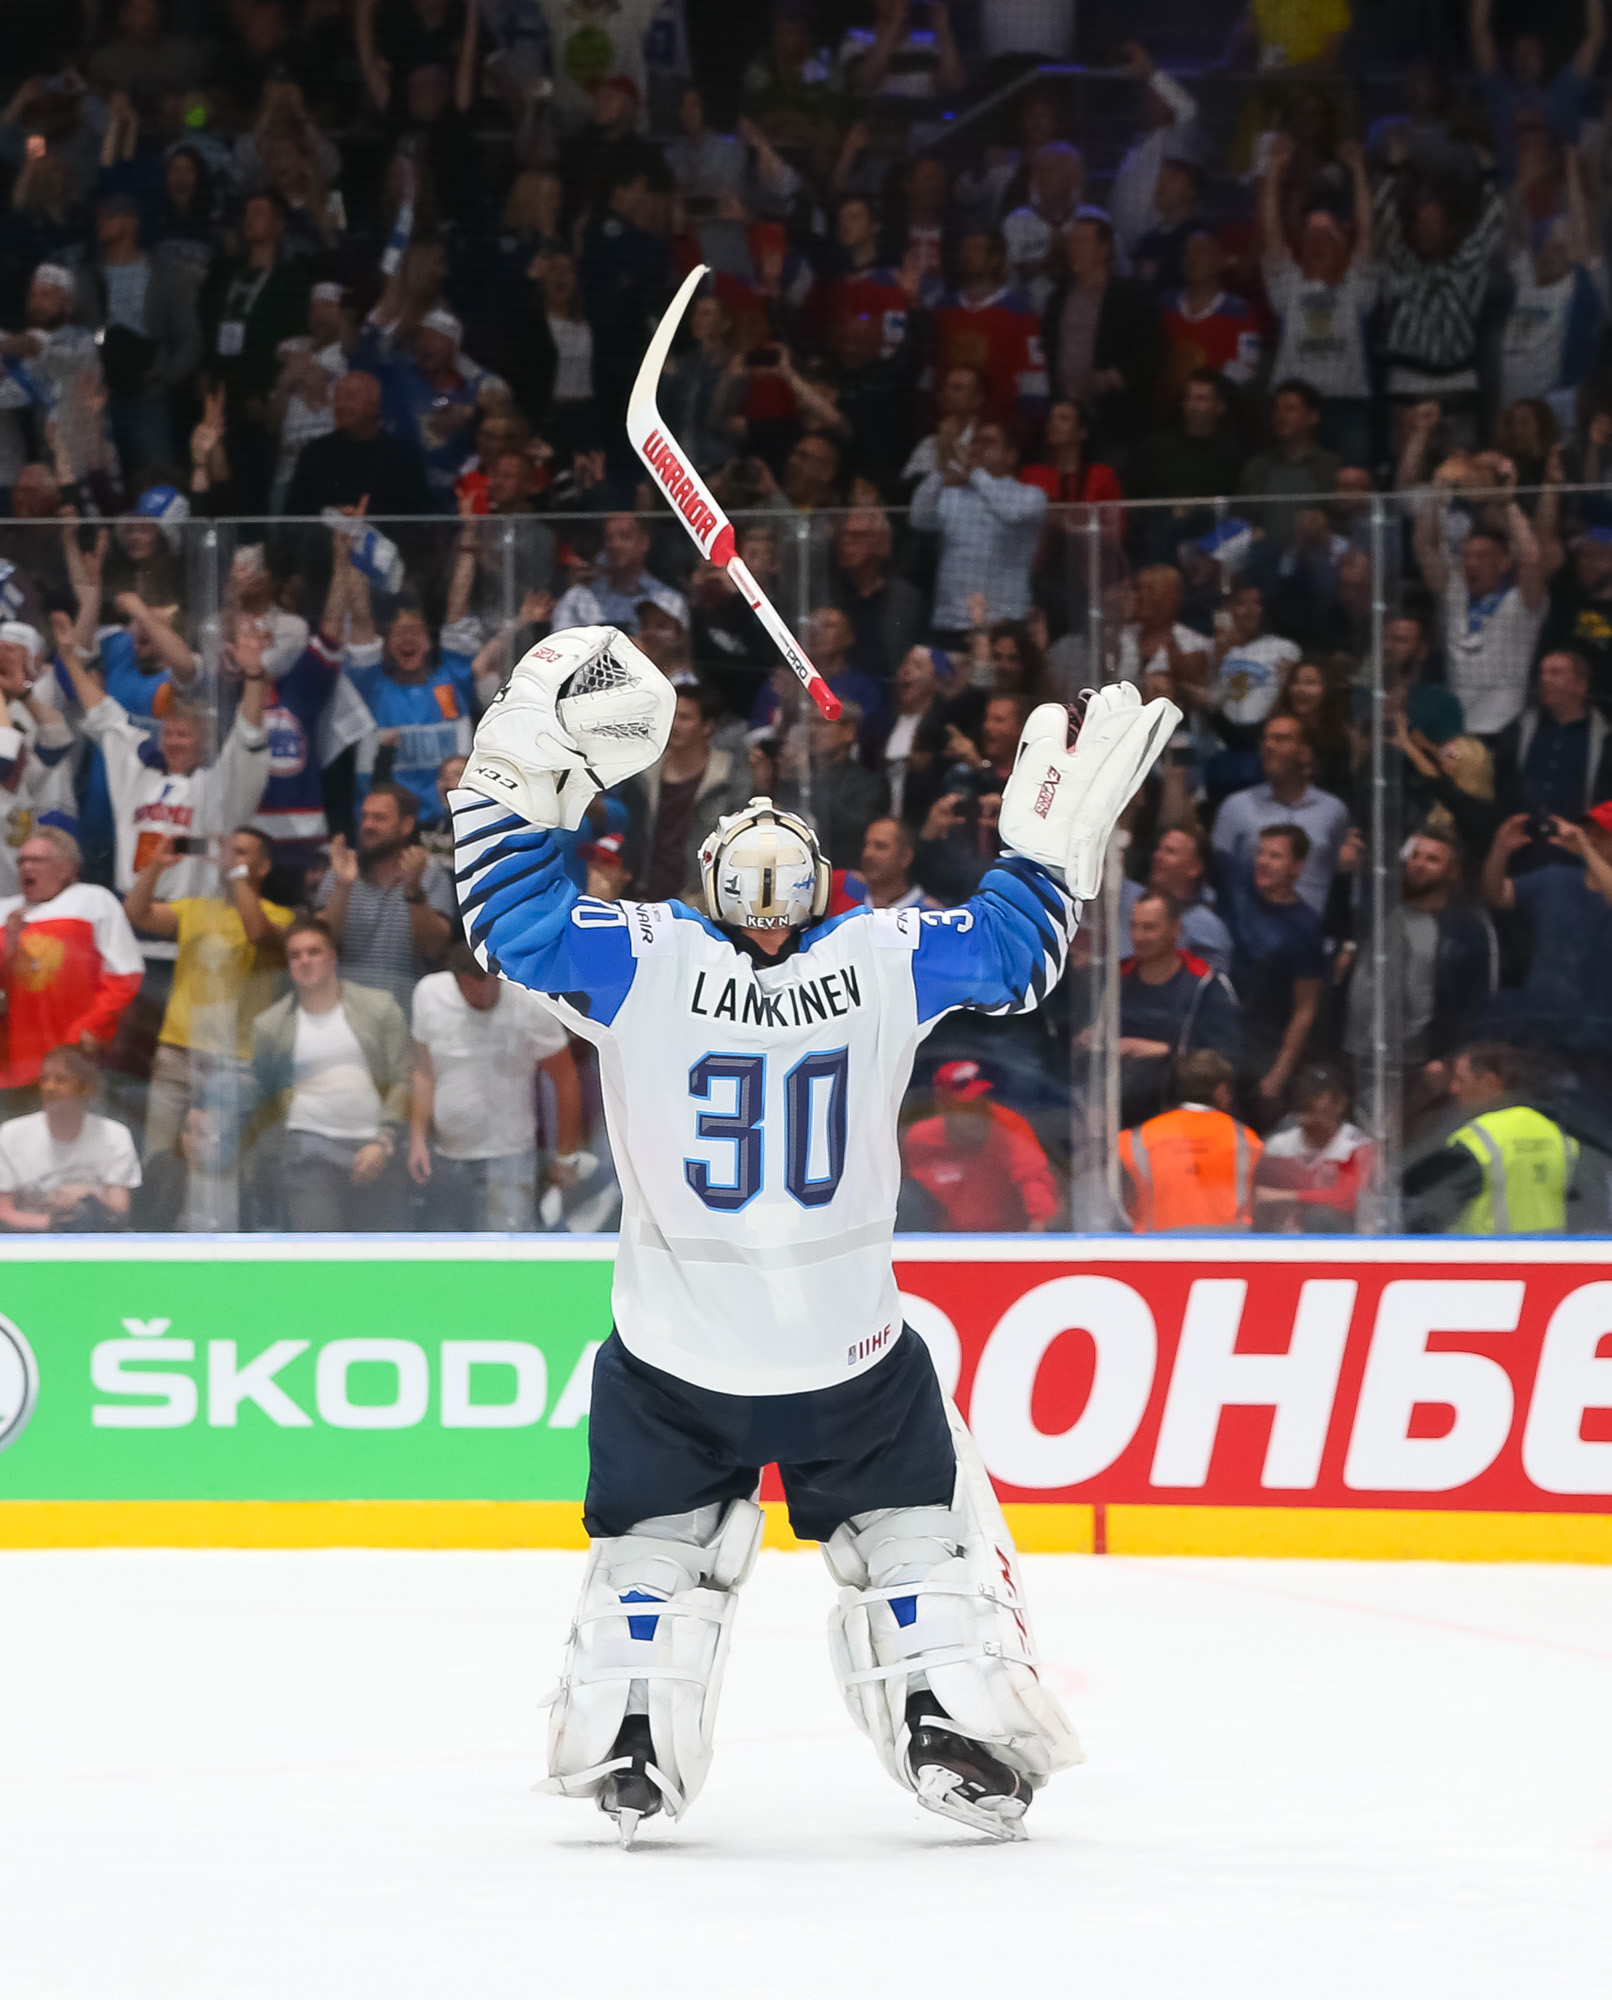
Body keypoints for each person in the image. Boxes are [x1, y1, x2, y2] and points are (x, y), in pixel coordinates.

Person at [452, 623, 1175, 1841]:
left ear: (709, 890)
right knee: (912, 1534)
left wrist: (525, 777)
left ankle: (629, 1725)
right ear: (825, 890)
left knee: (656, 1546)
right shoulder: (883, 956)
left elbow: (503, 924)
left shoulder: (644, 958)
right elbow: (1016, 956)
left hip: (677, 1352)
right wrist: (1045, 860)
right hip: (845, 1355)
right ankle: (948, 1702)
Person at [123, 827, 294, 1159]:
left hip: (235, 1058)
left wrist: (236, 876)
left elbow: (257, 933)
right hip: (178, 1051)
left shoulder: (279, 916)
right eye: (228, 852)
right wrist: (156, 867)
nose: (229, 858)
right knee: (159, 1154)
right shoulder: (194, 908)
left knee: (224, 1161)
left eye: (242, 853)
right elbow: (135, 913)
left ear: (263, 867)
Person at [247, 915, 411, 1232]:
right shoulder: (269, 1026)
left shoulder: (380, 1008)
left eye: (313, 951)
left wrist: (384, 1141)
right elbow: (264, 1096)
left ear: (333, 957)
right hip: (308, 1153)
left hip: (376, 1146)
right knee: (318, 1259)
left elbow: (403, 1077)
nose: (304, 961)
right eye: (295, 955)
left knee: (381, 1262)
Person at [409, 940, 582, 1231]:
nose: (480, 991)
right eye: (470, 984)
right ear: (455, 979)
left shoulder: (530, 1000)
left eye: (486, 982)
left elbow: (566, 1079)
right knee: (447, 1259)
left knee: (506, 1258)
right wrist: (416, 1139)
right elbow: (423, 1072)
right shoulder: (429, 993)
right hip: (446, 1153)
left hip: (510, 1156)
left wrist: (566, 1155)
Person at [0, 830, 145, 1101]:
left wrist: (90, 1028)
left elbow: (125, 975)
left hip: (75, 1057)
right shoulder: (4, 911)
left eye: (36, 860)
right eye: (21, 861)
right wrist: (9, 943)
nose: (26, 867)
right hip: (13, 1064)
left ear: (68, 868)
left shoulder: (94, 901)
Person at [1259, 135, 1376, 466]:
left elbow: (1368, 235)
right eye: (1312, 235)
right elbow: (1271, 234)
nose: (1319, 242)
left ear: (1342, 242)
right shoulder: (1289, 287)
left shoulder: (1357, 287)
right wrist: (1274, 171)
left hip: (1347, 407)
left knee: (1350, 493)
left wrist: (1358, 171)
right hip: (1293, 406)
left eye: (1327, 235)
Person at [1411, 457, 1548, 738]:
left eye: (1482, 556)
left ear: (1503, 563)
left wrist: (1509, 503)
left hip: (1506, 730)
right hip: (1456, 732)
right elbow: (1424, 546)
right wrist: (1436, 494)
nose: (1471, 562)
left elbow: (1532, 558)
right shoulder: (1455, 596)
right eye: (1467, 556)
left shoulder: (1522, 605)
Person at [1404, 1041, 1577, 1232]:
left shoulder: (1476, 1141)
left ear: (1490, 1082)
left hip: (1487, 1258)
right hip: (1551, 1257)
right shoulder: (1554, 1133)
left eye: (1461, 1080)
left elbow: (1428, 1219)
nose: (1454, 1089)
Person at [1481, 800, 1612, 1050]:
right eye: (1588, 828)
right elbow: (1496, 895)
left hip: (1602, 1034)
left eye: (1603, 833)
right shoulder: (1554, 876)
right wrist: (1500, 850)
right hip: (1540, 1026)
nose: (1591, 836)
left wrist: (1585, 849)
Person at [318, 782, 456, 1014]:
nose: (368, 825)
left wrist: (413, 889)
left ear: (406, 825)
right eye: (365, 817)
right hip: (346, 1011)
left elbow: (434, 947)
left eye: (379, 818)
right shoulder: (339, 872)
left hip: (408, 1009)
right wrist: (343, 887)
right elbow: (322, 942)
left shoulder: (431, 876)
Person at [1219, 824, 1326, 1117]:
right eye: (1261, 853)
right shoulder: (1238, 886)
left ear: (1297, 867)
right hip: (1221, 1038)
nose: (1263, 861)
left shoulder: (1305, 926)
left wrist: (1279, 1073)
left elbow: (1306, 1006)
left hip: (1265, 1051)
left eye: (1275, 856)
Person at [1111, 891, 1241, 1127]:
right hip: (1113, 1109)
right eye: (1134, 926)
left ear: (1176, 929)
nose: (1138, 936)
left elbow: (1223, 1059)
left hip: (1179, 1115)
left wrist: (1166, 1051)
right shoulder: (1113, 979)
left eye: (1149, 928)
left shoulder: (1206, 985)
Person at [910, 423, 1047, 643]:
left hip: (1004, 623)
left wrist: (975, 473)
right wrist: (941, 470)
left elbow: (1012, 512)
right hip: (951, 622)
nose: (978, 448)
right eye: (975, 442)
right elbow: (918, 519)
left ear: (1011, 456)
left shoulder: (1031, 495)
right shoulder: (953, 496)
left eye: (988, 442)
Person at [1212, 713, 1351, 913]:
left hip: (1312, 935)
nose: (1268, 746)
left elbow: (1340, 872)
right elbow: (1217, 878)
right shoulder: (1235, 807)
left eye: (1281, 739)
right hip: (1251, 933)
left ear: (1304, 752)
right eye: (1265, 739)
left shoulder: (1334, 811)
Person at [900, 1059, 1060, 1232]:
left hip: (1007, 1239)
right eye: (967, 1108)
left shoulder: (1010, 1127)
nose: (977, 1115)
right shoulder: (919, 1139)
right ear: (944, 1109)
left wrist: (1039, 1226)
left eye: (981, 1103)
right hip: (944, 1242)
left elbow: (1035, 1178)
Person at [627, 684, 752, 904]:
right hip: (642, 896)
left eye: (684, 718)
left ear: (707, 726)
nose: (674, 725)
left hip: (700, 901)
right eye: (671, 715)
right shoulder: (641, 773)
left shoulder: (731, 778)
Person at [1119, 1049, 1263, 1233]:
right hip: (1227, 1252)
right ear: (1221, 1091)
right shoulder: (1246, 1139)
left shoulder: (1134, 1139)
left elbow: (1122, 1202)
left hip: (1156, 1253)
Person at [0, 1044, 141, 1233]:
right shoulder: (11, 1134)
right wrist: (53, 1223)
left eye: (61, 1080)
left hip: (98, 1239)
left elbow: (120, 1212)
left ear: (86, 1088)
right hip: (31, 1243)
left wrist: (88, 1196)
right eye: (45, 1079)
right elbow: (3, 1211)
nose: (49, 1087)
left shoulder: (115, 1135)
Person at [1253, 1061, 1373, 1232]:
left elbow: (1348, 1198)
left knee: (1321, 1216)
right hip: (1283, 1244)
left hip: (1341, 1244)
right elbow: (1259, 1198)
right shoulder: (1279, 1146)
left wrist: (1289, 1196)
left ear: (1340, 1103)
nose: (1307, 1101)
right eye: (1303, 1094)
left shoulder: (1355, 1146)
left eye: (1317, 1095)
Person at [1119, 826, 1234, 973]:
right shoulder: (1134, 900)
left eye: (1170, 852)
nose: (1158, 856)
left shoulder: (1204, 926)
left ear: (1194, 868)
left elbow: (1209, 986)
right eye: (1159, 849)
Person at [551, 513, 688, 636]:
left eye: (624, 537)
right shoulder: (577, 600)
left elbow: (676, 660)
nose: (615, 545)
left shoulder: (669, 603)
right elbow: (560, 648)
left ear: (644, 542)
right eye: (609, 538)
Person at [832, 817, 937, 915]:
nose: (867, 854)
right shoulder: (840, 885)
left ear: (906, 857)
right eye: (866, 845)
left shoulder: (928, 916)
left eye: (880, 846)